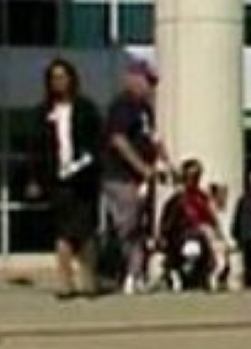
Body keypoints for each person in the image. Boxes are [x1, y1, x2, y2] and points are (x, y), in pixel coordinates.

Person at [26, 57, 103, 300]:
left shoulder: (85, 109)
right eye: (54, 78)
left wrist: (90, 164)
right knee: (63, 231)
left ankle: (89, 280)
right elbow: (35, 148)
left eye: (63, 77)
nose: (59, 82)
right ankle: (64, 282)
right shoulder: (43, 113)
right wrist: (35, 179)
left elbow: (97, 142)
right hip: (57, 179)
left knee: (86, 231)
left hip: (84, 177)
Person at [102, 53, 166, 294]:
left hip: (141, 179)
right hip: (120, 176)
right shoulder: (123, 105)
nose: (151, 88)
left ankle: (136, 273)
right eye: (148, 81)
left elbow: (154, 140)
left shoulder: (146, 110)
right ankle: (124, 272)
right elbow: (118, 140)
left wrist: (166, 166)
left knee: (140, 226)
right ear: (133, 79)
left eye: (153, 83)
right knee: (126, 225)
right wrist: (142, 167)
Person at [159, 159, 222, 291]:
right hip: (182, 237)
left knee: (217, 248)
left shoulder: (202, 197)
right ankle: (175, 272)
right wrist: (163, 236)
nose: (194, 180)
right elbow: (167, 222)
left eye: (197, 176)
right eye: (190, 176)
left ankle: (211, 274)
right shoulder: (177, 200)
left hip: (201, 236)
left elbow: (211, 217)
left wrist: (217, 231)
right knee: (192, 247)